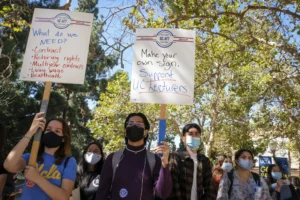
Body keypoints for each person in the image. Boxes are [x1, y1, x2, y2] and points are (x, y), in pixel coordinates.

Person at [95, 112, 172, 200]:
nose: (134, 126)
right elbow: (102, 193)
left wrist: (165, 164)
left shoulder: (154, 160)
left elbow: (163, 193)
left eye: (139, 124)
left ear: (146, 132)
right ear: (125, 131)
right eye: (130, 124)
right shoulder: (113, 158)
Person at [4, 113, 77, 200]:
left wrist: (37, 178)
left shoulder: (69, 162)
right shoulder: (31, 157)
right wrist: (31, 132)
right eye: (48, 129)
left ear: (63, 138)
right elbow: (9, 166)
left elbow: (64, 197)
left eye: (57, 131)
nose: (51, 133)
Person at [168, 123, 216, 200]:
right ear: (183, 138)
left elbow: (209, 187)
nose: (194, 136)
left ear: (200, 137)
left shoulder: (204, 160)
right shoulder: (176, 156)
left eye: (196, 134)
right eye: (190, 134)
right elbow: (174, 185)